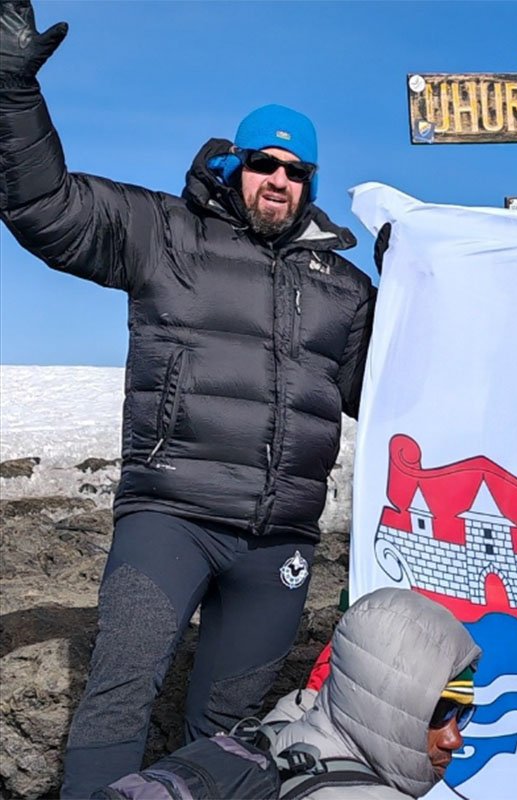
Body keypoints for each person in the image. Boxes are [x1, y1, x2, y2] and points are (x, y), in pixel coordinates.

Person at [0, 3, 376, 795]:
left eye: (296, 170)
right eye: (265, 163)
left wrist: (426, 284)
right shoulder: (163, 232)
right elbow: (46, 208)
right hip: (170, 518)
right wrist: (11, 94)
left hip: (279, 541)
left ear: (311, 182)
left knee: (233, 736)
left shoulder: (344, 287)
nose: (279, 179)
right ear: (236, 164)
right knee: (118, 701)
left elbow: (387, 389)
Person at [263, 588, 482, 799]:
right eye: (439, 711)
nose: (454, 740)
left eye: (462, 713)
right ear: (386, 701)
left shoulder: (277, 730)